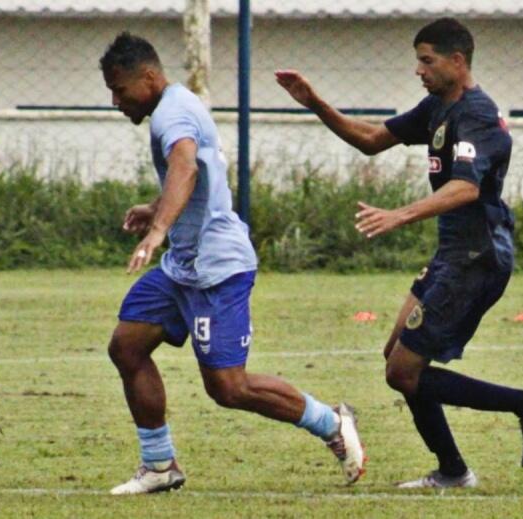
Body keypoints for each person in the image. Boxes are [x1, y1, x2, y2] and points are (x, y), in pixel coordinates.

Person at [276, 17, 523, 489]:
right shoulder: (437, 107)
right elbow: (371, 140)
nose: (418, 70)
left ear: (457, 60)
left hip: (477, 257)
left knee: (403, 372)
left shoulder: (477, 115)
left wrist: (399, 215)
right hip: (455, 253)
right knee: (397, 361)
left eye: (426, 60)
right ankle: (452, 470)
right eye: (417, 60)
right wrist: (317, 104)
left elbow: (466, 188)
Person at [100, 31, 365, 495]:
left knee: (229, 388)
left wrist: (158, 230)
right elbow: (193, 178)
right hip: (182, 267)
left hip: (217, 269)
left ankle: (332, 422)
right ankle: (159, 464)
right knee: (126, 346)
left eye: (120, 90)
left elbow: (187, 166)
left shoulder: (172, 113)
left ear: (148, 76)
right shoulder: (174, 103)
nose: (116, 101)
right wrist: (157, 208)